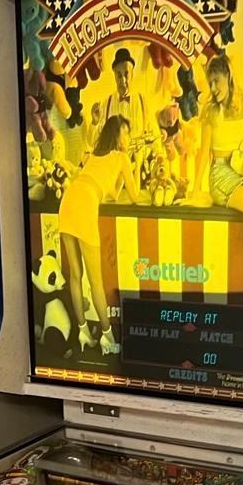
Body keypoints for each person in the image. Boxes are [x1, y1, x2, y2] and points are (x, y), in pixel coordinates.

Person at [57, 114, 147, 357]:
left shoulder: (94, 156)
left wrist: (129, 166)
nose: (128, 137)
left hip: (69, 199)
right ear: (116, 134)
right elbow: (135, 196)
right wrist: (137, 164)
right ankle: (107, 337)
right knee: (95, 281)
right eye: (126, 132)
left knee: (76, 275)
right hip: (85, 203)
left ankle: (83, 332)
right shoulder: (121, 157)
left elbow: (113, 194)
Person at [196, 53, 243, 301]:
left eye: (216, 81)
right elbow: (203, 153)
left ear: (228, 77)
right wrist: (195, 189)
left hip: (240, 166)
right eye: (210, 83)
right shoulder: (210, 111)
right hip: (220, 173)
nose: (213, 88)